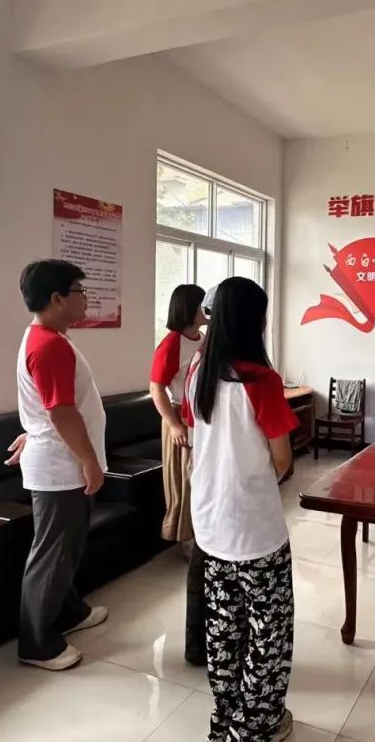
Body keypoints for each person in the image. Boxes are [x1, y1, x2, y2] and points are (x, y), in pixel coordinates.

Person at [181, 277, 297, 742]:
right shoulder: (261, 381)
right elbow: (283, 459)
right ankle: (256, 726)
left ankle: (226, 717)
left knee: (223, 627)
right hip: (255, 529)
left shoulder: (197, 373)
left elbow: (195, 436)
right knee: (268, 631)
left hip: (210, 522)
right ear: (254, 320)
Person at [14, 259, 108, 671]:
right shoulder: (49, 344)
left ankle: (68, 612)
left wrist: (31, 431)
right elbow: (60, 411)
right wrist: (89, 461)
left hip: (59, 457)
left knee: (66, 549)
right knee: (52, 554)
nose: (85, 299)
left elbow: (45, 407)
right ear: (57, 298)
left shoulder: (48, 338)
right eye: (80, 291)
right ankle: (36, 643)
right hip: (60, 466)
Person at [149, 283, 207, 666]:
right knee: (183, 484)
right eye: (202, 305)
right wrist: (173, 424)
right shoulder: (170, 344)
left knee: (198, 482)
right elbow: (156, 388)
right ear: (188, 308)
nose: (206, 311)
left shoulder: (203, 339)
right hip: (179, 422)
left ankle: (197, 537)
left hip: (200, 421)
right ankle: (187, 540)